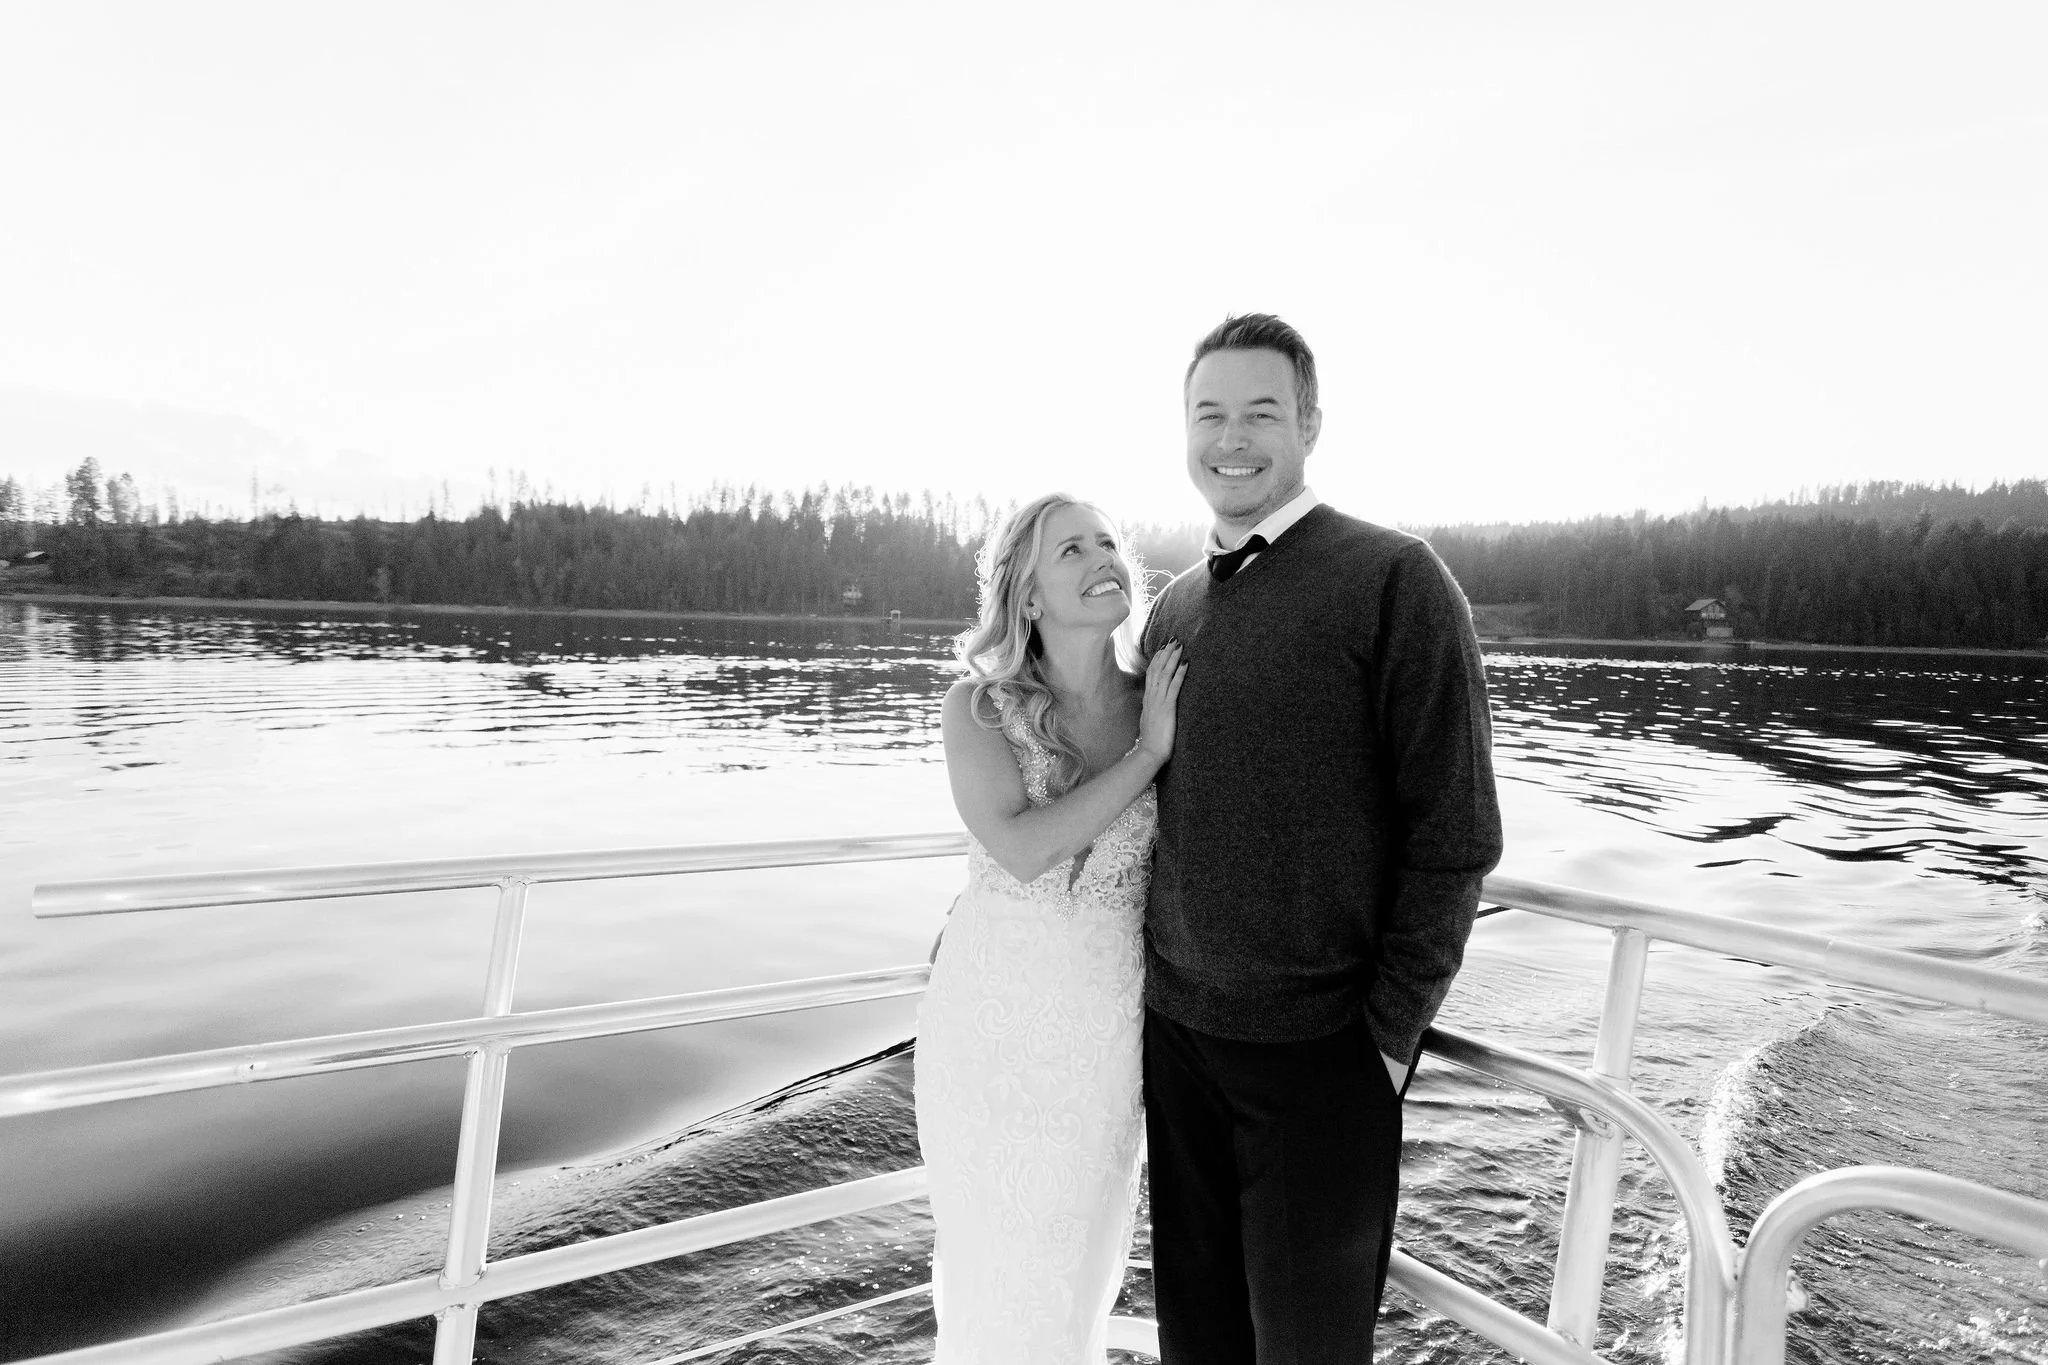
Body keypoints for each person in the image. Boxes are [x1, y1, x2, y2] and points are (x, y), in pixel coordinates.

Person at [1139, 313, 1503, 1364]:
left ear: (1309, 425)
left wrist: (1383, 1042)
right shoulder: (1171, 611)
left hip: (1321, 1057)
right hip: (1177, 1044)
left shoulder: (1394, 579)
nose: (1231, 439)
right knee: (1196, 1347)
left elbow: (1456, 832)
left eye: (1261, 412)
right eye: (1208, 414)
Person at [914, 492, 1187, 1365]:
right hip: (987, 1036)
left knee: (1072, 1280)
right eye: (1072, 549)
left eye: (1108, 541)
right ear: (1028, 594)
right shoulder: (977, 708)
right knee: (992, 1281)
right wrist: (1148, 756)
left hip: (1101, 1039)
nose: (1103, 557)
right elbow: (1024, 849)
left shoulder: (1162, 696)